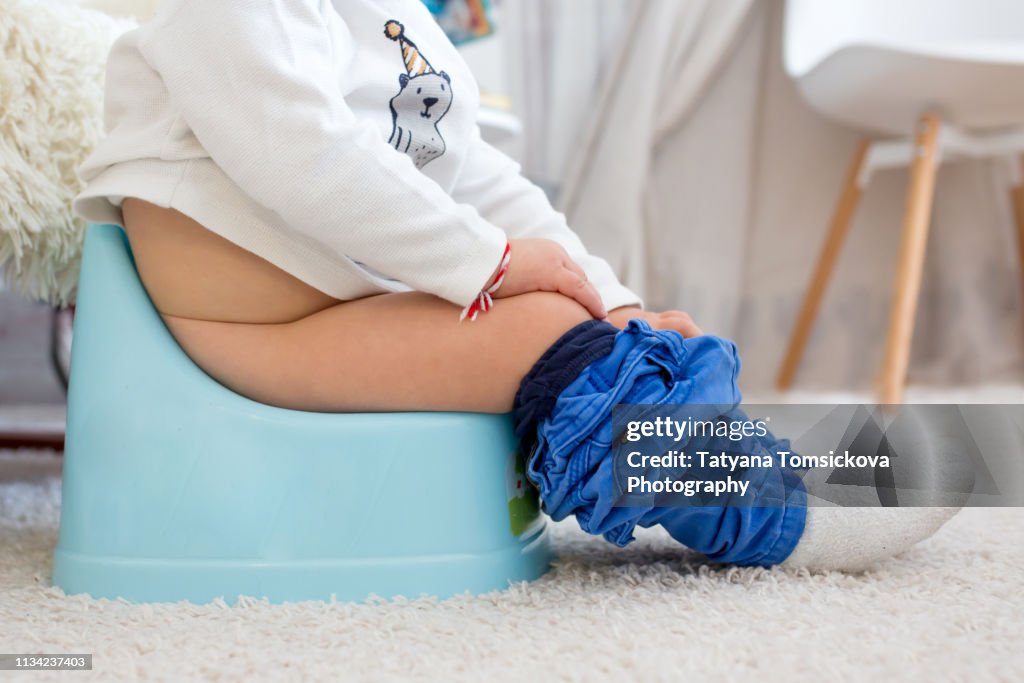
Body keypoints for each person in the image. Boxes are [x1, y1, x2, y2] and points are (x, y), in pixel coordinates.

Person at [73, 0, 957, 572]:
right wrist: (489, 262)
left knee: (562, 315)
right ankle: (765, 504)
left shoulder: (397, 24)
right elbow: (300, 154)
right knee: (531, 329)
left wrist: (607, 296)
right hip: (239, 330)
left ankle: (727, 439)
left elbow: (476, 175)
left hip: (332, 301)